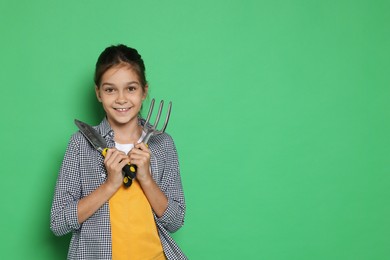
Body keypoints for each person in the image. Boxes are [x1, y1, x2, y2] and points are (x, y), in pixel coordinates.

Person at [50, 44, 186, 260]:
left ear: (144, 91)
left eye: (131, 88)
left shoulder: (162, 144)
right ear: (98, 93)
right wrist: (110, 185)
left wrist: (147, 179)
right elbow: (58, 223)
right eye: (110, 89)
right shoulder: (80, 144)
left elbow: (175, 221)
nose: (121, 98)